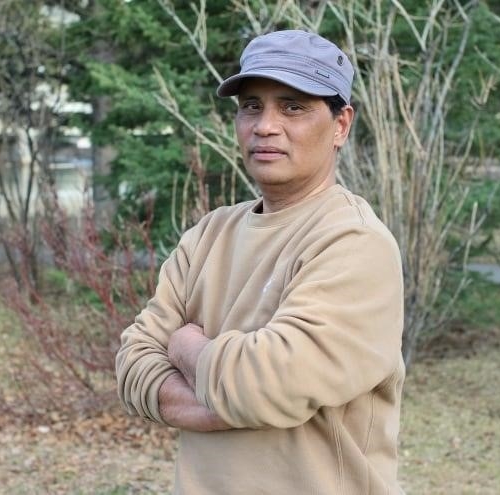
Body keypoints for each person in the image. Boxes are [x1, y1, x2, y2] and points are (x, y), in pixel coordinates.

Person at [116, 29, 405, 495]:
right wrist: (230, 394)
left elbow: (269, 384)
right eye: (252, 105)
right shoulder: (209, 234)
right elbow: (133, 365)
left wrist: (187, 347)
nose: (265, 125)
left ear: (341, 124)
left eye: (292, 106)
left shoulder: (354, 241)